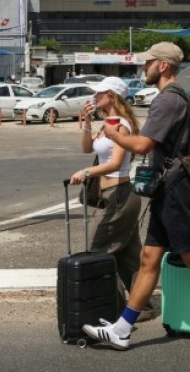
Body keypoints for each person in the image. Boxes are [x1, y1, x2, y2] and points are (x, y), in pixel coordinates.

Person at [81, 42, 190, 355]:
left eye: (148, 63)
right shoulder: (174, 98)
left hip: (176, 190)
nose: (143, 68)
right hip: (167, 188)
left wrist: (114, 135)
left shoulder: (167, 101)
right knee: (149, 259)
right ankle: (121, 329)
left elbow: (141, 145)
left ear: (163, 66)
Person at [68, 76, 145, 310]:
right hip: (114, 195)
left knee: (97, 250)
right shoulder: (108, 124)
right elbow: (86, 148)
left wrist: (87, 172)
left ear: (112, 96)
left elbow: (115, 163)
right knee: (128, 257)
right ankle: (142, 307)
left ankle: (116, 307)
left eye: (99, 93)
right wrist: (87, 123)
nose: (95, 97)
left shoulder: (122, 125)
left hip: (120, 194)